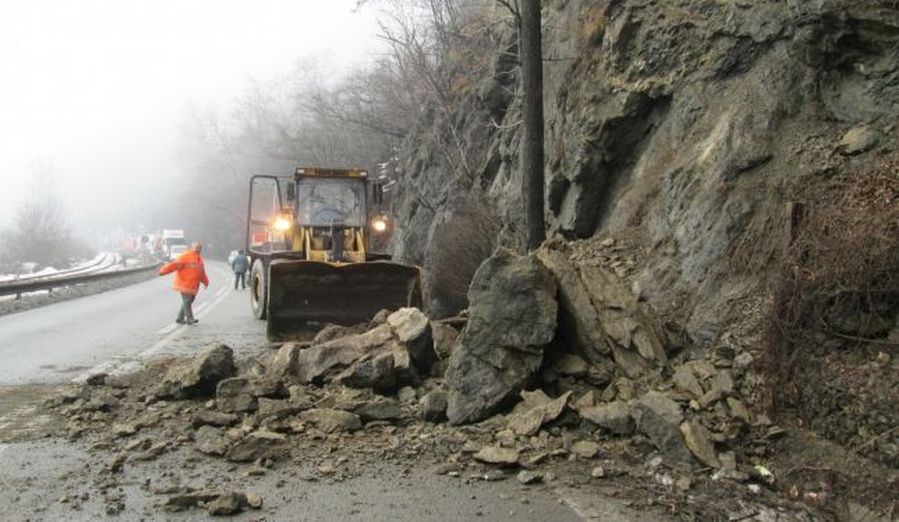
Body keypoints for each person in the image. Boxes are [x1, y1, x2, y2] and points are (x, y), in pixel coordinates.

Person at [159, 241, 209, 325]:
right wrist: (163, 271)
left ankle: (180, 318)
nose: (198, 249)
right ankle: (190, 319)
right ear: (192, 247)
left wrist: (205, 282)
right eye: (196, 247)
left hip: (193, 286)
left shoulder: (199, 259)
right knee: (187, 301)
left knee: (189, 300)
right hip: (184, 284)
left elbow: (201, 272)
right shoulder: (185, 256)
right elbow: (174, 265)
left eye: (199, 248)